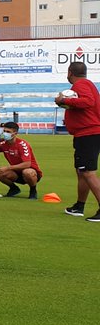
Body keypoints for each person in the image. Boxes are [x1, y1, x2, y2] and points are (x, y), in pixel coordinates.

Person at [55, 60, 100, 221]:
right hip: (85, 134)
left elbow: (88, 102)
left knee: (88, 172)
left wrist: (64, 101)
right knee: (81, 172)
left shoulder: (80, 85)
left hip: (88, 134)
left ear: (69, 72)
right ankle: (79, 206)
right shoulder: (86, 84)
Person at [0, 121, 42, 200]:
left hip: (31, 172)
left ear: (15, 133)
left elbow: (27, 164)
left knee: (27, 172)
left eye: (8, 132)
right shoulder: (3, 143)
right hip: (16, 172)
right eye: (5, 131)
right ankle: (14, 189)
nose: (5, 133)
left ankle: (33, 190)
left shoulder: (22, 145)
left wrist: (7, 168)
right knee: (1, 173)